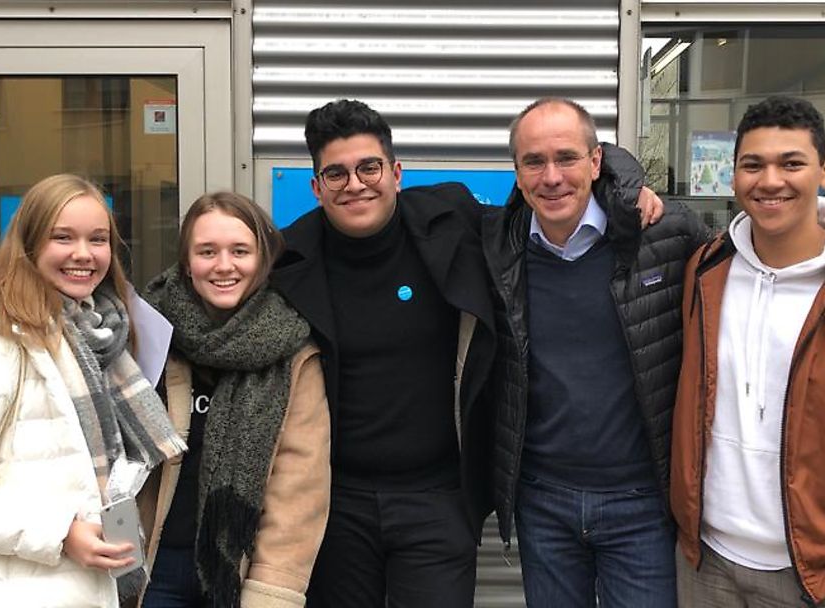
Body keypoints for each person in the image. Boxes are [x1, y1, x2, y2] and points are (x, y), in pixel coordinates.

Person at [272, 98, 665, 608]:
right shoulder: (288, 260)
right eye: (337, 173)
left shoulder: (450, 220)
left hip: (438, 497)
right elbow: (223, 277)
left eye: (369, 167)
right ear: (316, 186)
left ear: (395, 172)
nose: (355, 184)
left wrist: (626, 187)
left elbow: (552, 180)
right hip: (335, 501)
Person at [670, 95, 825, 607]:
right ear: (733, 175)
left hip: (821, 577)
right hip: (706, 563)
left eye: (792, 163)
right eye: (752, 164)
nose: (770, 180)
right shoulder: (706, 271)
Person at [482, 97, 709, 608]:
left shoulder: (664, 233)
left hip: (642, 503)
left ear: (596, 161)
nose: (552, 176)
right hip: (543, 502)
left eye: (567, 158)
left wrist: (630, 185)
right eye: (533, 162)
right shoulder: (498, 246)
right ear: (517, 175)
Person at [0, 173, 185, 607]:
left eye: (97, 239)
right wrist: (61, 532)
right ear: (29, 246)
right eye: (63, 237)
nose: (83, 254)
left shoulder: (103, 342)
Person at [140, 191, 329, 608]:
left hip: (239, 572)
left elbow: (299, 490)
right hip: (154, 570)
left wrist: (269, 594)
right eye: (207, 251)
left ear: (262, 260)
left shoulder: (293, 352)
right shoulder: (148, 334)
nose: (224, 265)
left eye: (240, 251)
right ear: (188, 264)